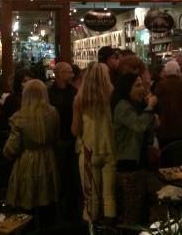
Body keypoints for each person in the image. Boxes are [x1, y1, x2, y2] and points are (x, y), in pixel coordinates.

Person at [3, 79, 59, 229]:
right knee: (47, 200)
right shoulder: (53, 113)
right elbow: (56, 136)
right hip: (48, 158)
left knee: (27, 203)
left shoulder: (19, 117)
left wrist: (6, 154)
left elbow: (12, 148)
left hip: (27, 160)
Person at [71, 62, 117, 224]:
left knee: (91, 198)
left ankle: (92, 228)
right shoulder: (113, 98)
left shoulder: (80, 100)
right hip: (110, 149)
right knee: (109, 196)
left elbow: (75, 130)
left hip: (89, 151)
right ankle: (110, 228)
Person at [113, 72, 158, 225]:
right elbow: (138, 126)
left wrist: (149, 110)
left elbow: (150, 127)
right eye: (137, 85)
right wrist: (150, 107)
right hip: (128, 164)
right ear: (127, 89)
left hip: (139, 162)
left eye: (142, 85)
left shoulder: (135, 105)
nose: (142, 89)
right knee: (131, 210)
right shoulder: (122, 106)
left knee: (140, 209)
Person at [48, 62, 80, 222]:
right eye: (69, 72)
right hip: (57, 138)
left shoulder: (74, 91)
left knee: (72, 175)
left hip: (71, 136)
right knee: (59, 173)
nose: (72, 75)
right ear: (59, 74)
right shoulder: (49, 92)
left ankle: (70, 210)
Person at [155, 59, 182, 148]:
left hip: (165, 131)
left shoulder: (159, 87)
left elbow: (156, 107)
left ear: (166, 73)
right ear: (178, 71)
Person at [0, 68, 34, 135]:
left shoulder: (35, 97)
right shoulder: (12, 99)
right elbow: (5, 123)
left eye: (30, 81)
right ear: (18, 83)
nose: (29, 84)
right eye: (25, 81)